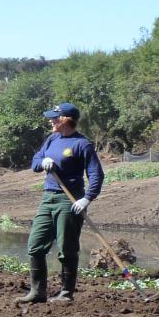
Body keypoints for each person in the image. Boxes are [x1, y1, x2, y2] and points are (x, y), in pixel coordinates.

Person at [15, 102, 103, 305]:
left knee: (67, 248)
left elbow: (96, 174)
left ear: (65, 120)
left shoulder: (82, 144)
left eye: (54, 118)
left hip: (69, 200)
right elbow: (35, 160)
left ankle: (66, 293)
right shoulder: (52, 139)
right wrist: (42, 162)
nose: (50, 121)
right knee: (35, 245)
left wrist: (87, 198)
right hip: (48, 198)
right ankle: (37, 292)